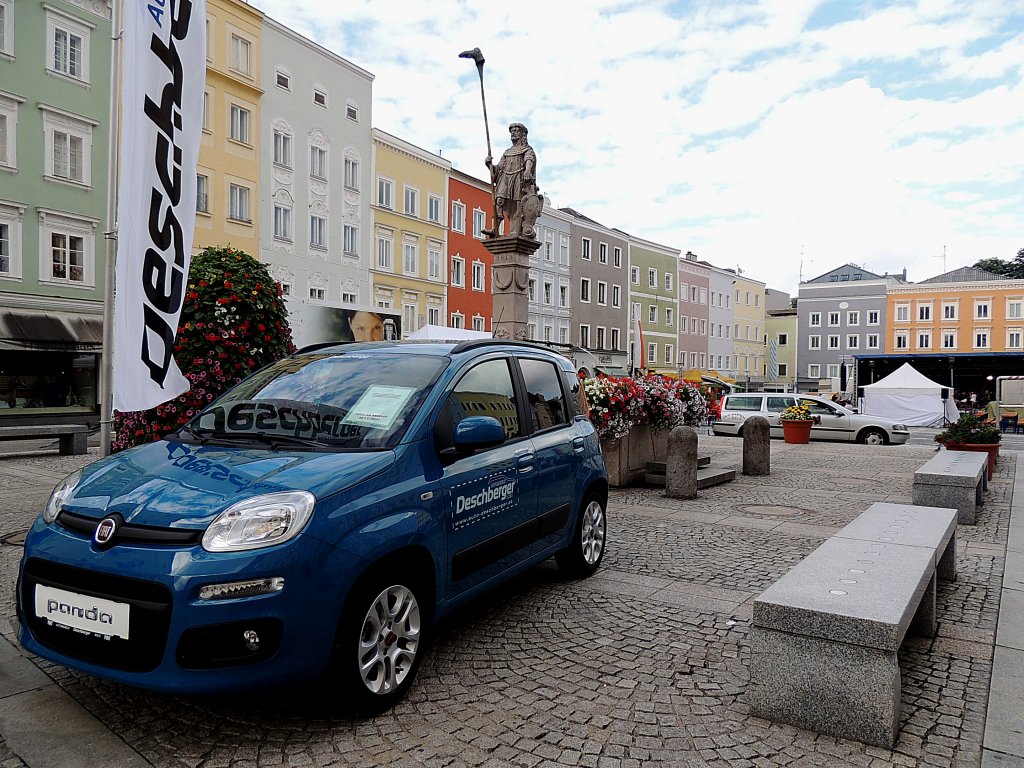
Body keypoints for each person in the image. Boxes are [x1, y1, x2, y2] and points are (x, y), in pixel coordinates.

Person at [486, 123, 538, 238]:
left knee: (517, 205)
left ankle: (516, 230)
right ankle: (495, 229)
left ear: (522, 134)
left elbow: (529, 160)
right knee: (499, 200)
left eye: (516, 131)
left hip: (518, 178)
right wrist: (489, 164)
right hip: (505, 177)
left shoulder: (526, 149)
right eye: (512, 131)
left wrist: (527, 171)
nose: (513, 133)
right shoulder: (507, 152)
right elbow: (498, 168)